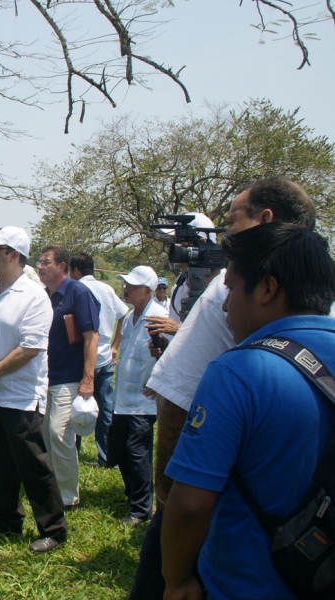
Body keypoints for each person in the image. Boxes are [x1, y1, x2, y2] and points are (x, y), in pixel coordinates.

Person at [129, 176, 319, 599]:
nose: (223, 236)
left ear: (264, 219)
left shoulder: (241, 296)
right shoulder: (308, 284)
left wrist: (172, 524)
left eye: (232, 222)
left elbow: (183, 409)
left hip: (220, 521)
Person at [162, 222, 335, 600]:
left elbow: (190, 505)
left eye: (232, 289)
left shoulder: (238, 372)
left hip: (249, 585)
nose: (225, 305)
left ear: (268, 289)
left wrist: (176, 581)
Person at [0, 226, 67, 554]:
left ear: (13, 255)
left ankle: (53, 529)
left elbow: (31, 348)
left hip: (20, 395)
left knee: (32, 463)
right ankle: (6, 520)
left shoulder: (34, 296)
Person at [37, 245, 100, 509]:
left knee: (59, 433)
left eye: (46, 262)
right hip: (45, 378)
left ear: (62, 266)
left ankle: (68, 498)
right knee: (46, 435)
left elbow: (91, 337)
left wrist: (88, 379)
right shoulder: (43, 296)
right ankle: (53, 490)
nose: (40, 266)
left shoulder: (78, 292)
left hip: (70, 377)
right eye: (39, 261)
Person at [110, 266, 166, 527]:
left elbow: (173, 355)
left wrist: (160, 382)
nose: (126, 289)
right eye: (126, 285)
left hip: (144, 399)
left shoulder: (159, 318)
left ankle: (142, 509)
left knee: (137, 452)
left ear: (148, 290)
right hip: (124, 398)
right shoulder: (133, 316)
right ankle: (132, 494)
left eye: (132, 286)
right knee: (121, 449)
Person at [69, 252, 129, 467]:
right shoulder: (107, 289)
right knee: (105, 408)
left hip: (83, 356)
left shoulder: (76, 289)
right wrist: (114, 346)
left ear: (76, 271)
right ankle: (107, 456)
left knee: (74, 405)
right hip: (104, 356)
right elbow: (124, 315)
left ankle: (71, 454)